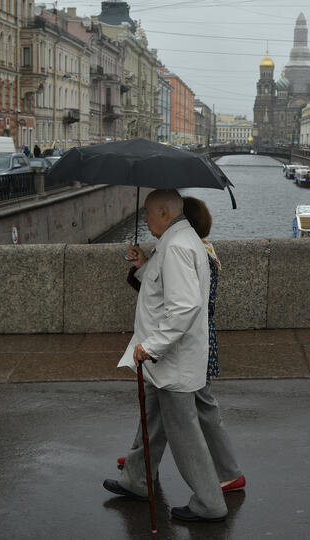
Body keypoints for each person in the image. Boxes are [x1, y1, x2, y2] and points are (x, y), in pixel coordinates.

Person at [103, 189, 228, 523]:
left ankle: (209, 503)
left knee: (185, 435)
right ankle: (137, 479)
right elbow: (162, 289)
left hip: (170, 360)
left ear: (163, 212)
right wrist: (143, 265)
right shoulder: (178, 240)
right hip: (166, 362)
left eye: (147, 214)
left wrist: (152, 346)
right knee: (153, 424)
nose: (144, 220)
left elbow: (184, 307)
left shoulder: (175, 247)